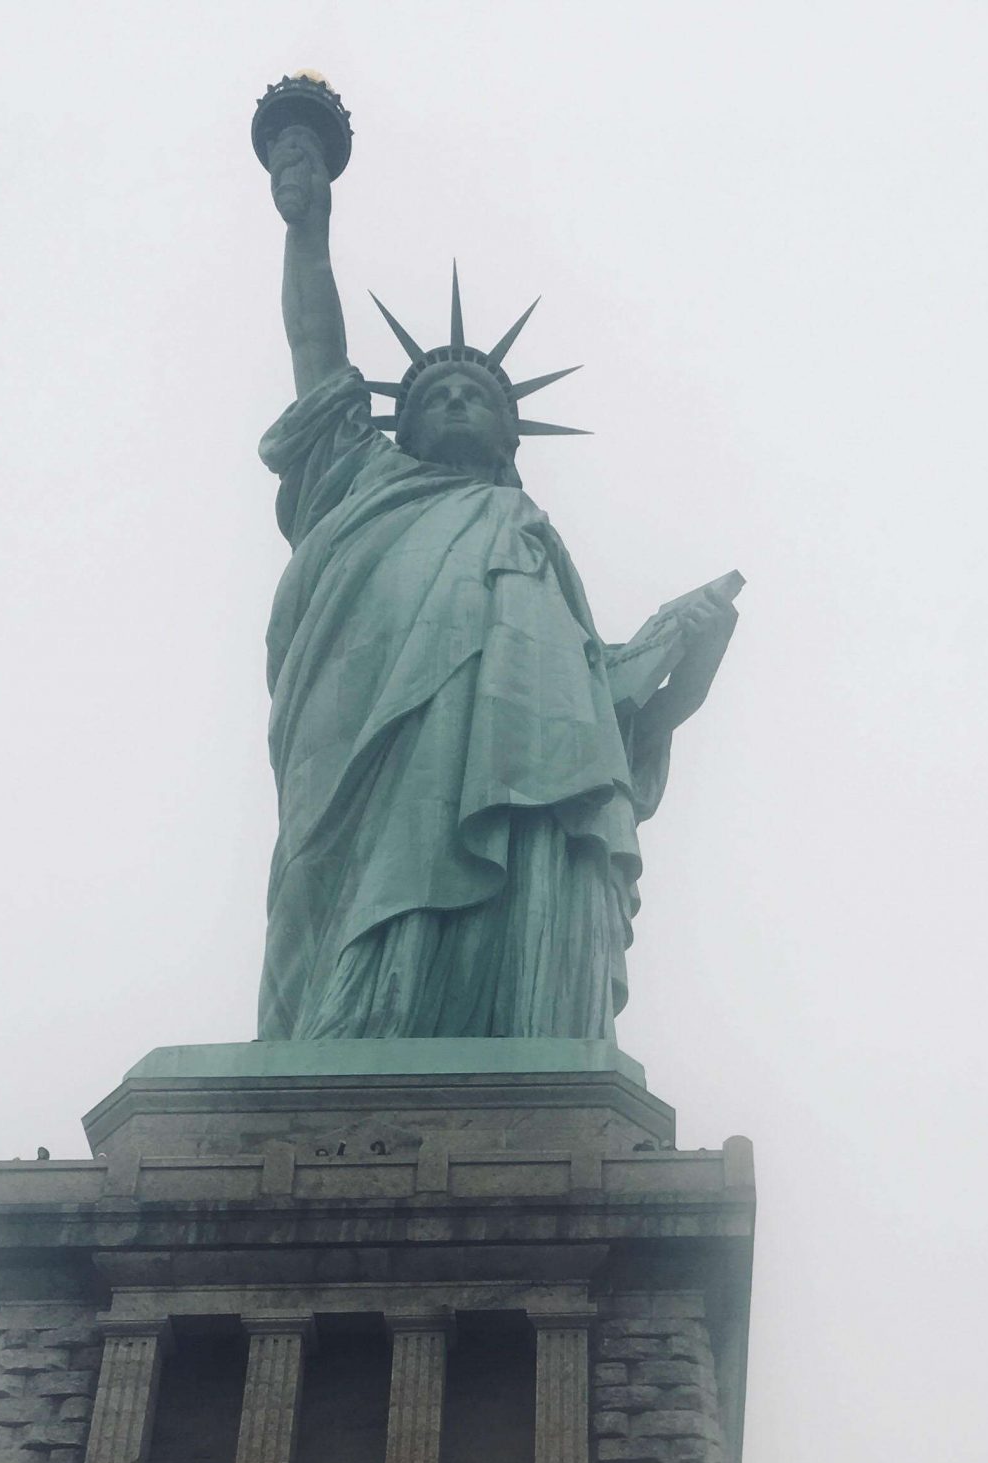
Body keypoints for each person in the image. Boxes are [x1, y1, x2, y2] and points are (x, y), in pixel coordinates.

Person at [254, 112, 740, 1041]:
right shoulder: (359, 480)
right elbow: (317, 353)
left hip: (518, 798)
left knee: (522, 915)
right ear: (403, 425)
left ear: (512, 435)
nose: (455, 400)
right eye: (435, 395)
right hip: (363, 759)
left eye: (477, 395)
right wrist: (305, 227)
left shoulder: (529, 542)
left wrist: (694, 657)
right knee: (338, 926)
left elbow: (603, 721)